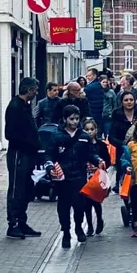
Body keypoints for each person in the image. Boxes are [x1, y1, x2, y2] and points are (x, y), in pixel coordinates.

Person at [45, 105, 104, 249]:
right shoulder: (56, 136)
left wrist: (98, 160)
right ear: (65, 119)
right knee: (63, 206)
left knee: (79, 205)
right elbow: (49, 155)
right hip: (62, 177)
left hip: (79, 175)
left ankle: (78, 226)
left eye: (77, 119)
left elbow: (90, 153)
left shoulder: (83, 136)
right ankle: (65, 231)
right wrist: (50, 167)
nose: (75, 122)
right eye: (72, 119)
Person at [4, 77, 42, 239]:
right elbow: (10, 133)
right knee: (16, 188)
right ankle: (12, 223)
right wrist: (29, 142)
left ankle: (21, 221)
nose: (36, 92)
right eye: (34, 89)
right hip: (19, 153)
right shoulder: (15, 107)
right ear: (28, 90)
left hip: (27, 153)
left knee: (26, 187)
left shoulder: (24, 106)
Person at [82, 118, 110, 236]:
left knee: (96, 201)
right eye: (87, 129)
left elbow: (108, 160)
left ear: (96, 130)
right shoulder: (81, 144)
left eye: (92, 129)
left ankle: (99, 220)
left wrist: (103, 166)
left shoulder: (101, 145)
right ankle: (89, 225)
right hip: (85, 177)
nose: (89, 132)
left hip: (97, 177)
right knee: (86, 203)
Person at [109, 91, 137, 165]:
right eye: (126, 100)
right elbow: (111, 138)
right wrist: (125, 145)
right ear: (122, 102)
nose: (129, 102)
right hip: (123, 152)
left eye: (131, 99)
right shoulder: (116, 115)